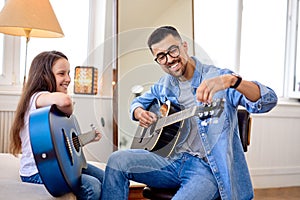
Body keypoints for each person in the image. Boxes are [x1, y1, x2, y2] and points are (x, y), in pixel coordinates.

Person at [100, 26, 278, 200]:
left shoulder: (219, 78)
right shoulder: (164, 84)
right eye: (161, 56)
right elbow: (138, 102)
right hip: (171, 160)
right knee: (117, 161)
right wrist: (138, 111)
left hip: (206, 169)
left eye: (173, 50)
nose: (169, 59)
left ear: (184, 46)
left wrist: (232, 81)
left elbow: (268, 100)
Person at [9, 51, 104, 200]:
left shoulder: (51, 109)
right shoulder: (37, 97)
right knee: (92, 186)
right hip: (38, 172)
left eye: (68, 73)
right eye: (61, 74)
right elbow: (65, 101)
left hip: (58, 165)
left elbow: (61, 144)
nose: (68, 79)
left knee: (106, 178)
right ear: (44, 75)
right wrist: (69, 109)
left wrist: (88, 138)